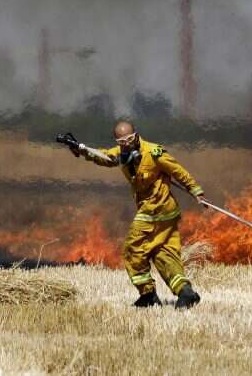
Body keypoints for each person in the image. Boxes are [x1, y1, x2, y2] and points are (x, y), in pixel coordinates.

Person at [57, 121, 207, 309]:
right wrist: (82, 150)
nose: (126, 145)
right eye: (122, 142)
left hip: (155, 210)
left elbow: (178, 171)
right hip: (160, 213)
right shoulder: (121, 154)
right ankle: (186, 292)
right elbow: (105, 157)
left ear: (136, 135)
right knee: (163, 254)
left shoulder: (154, 152)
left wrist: (196, 191)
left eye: (129, 140)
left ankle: (148, 295)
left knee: (132, 250)